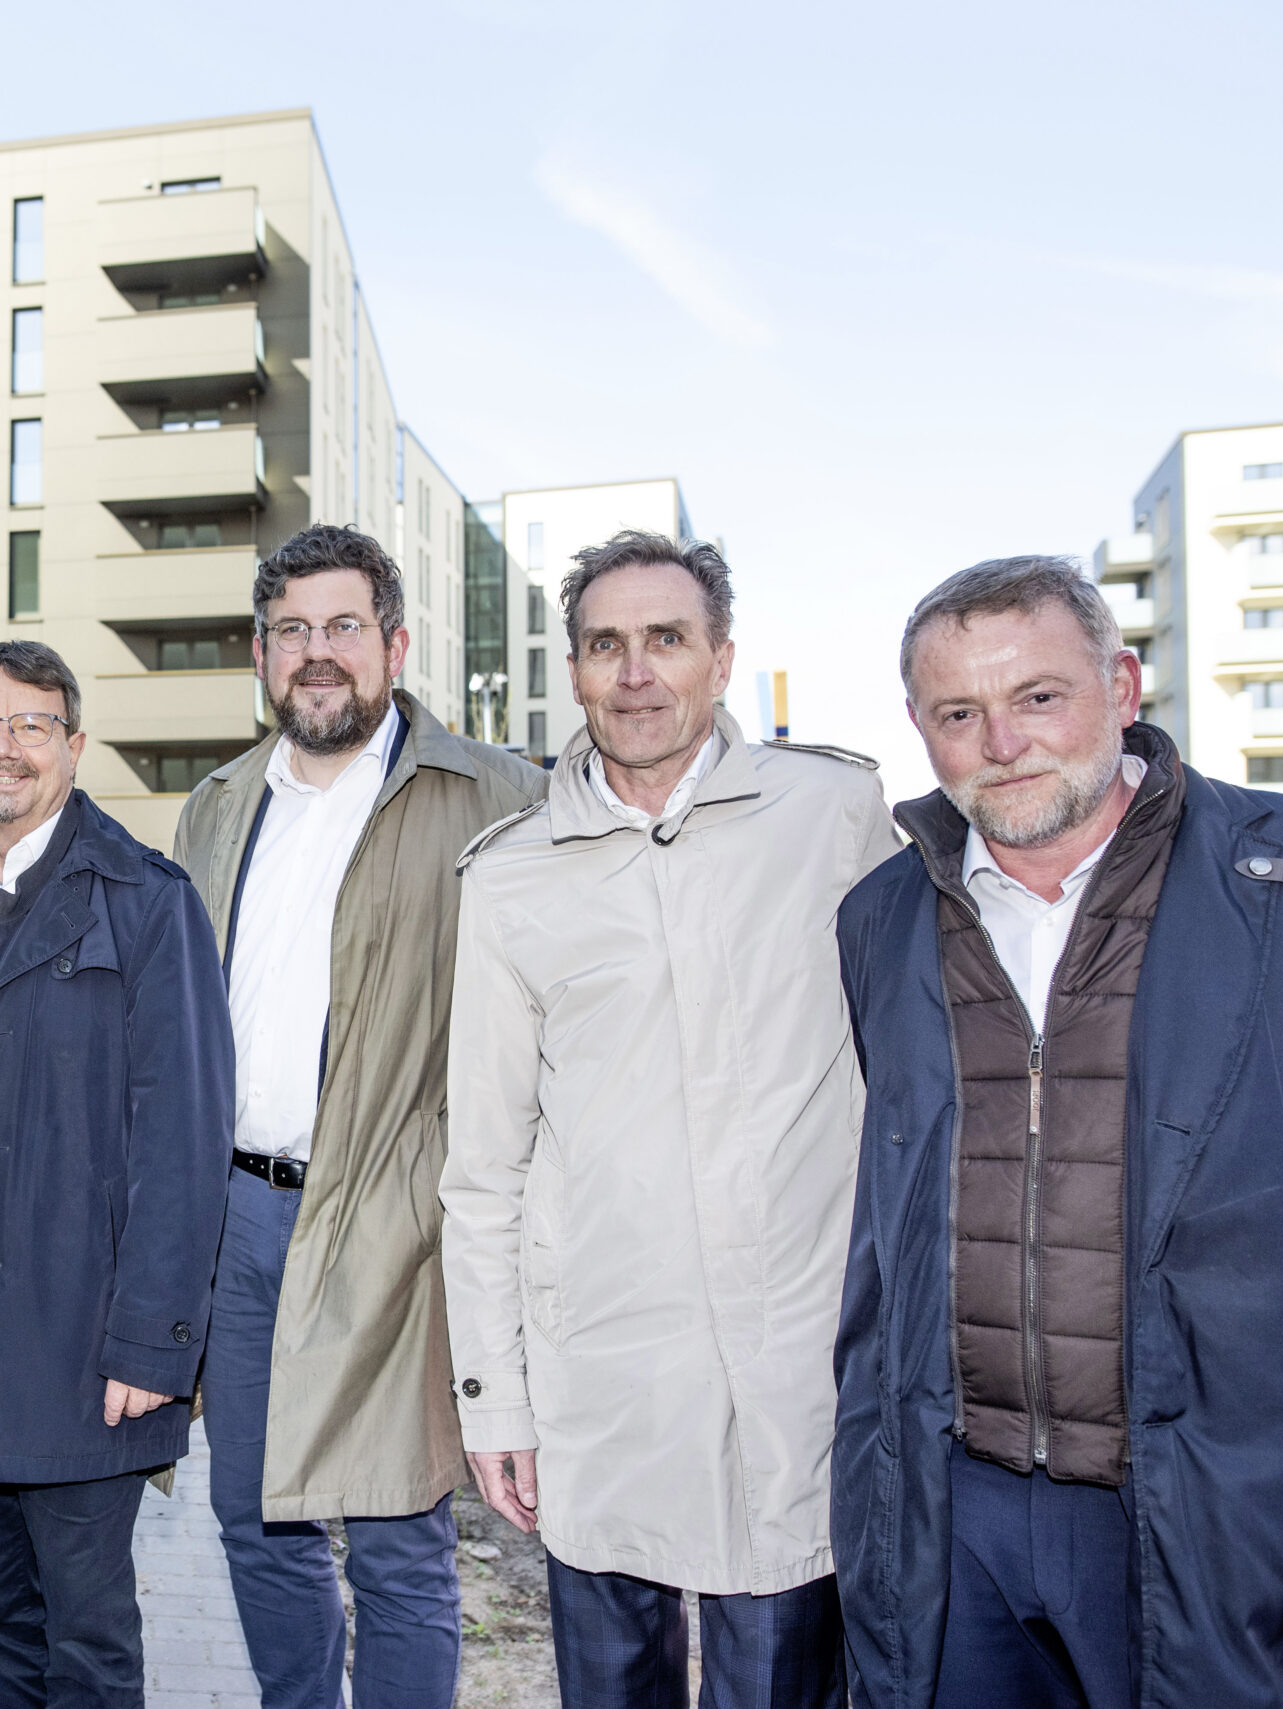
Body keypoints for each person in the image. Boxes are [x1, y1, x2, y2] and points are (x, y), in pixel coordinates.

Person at [833, 557, 1283, 1709]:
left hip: (1222, 1511)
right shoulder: (882, 917)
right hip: (956, 1515)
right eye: (959, 713)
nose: (1000, 740)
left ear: (1120, 681)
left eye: (1038, 696)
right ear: (920, 728)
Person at [441, 531, 897, 1708]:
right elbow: (482, 1165)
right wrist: (494, 1393)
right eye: (605, 644)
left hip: (793, 1384)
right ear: (574, 670)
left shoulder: (833, 814)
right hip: (606, 1385)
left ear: (721, 657)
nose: (635, 672)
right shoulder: (508, 876)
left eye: (666, 639)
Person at [172, 523, 545, 1707]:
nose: (315, 653)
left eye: (341, 627)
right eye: (291, 631)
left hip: (398, 1219)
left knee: (396, 1537)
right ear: (259, 652)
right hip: (236, 1218)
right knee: (254, 1515)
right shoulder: (221, 804)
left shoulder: (495, 794)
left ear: (393, 641)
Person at [0, 640, 235, 1706]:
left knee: (87, 1622)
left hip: (79, 1321)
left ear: (74, 743)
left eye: (29, 723)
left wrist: (154, 1340)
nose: (2, 747)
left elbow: (186, 1139)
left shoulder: (147, 901)